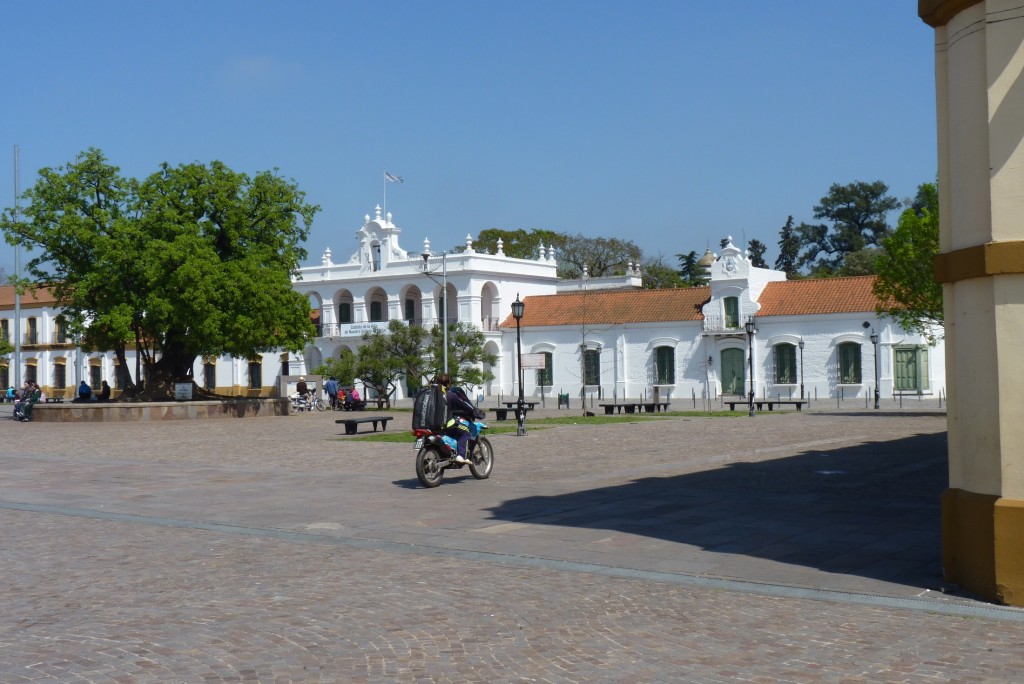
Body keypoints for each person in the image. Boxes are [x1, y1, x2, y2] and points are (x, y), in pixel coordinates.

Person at [435, 373, 482, 464]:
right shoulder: (451, 395)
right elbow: (464, 405)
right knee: (465, 432)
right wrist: (473, 411)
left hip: (433, 424)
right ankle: (461, 455)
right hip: (447, 424)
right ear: (449, 384)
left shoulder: (433, 394)